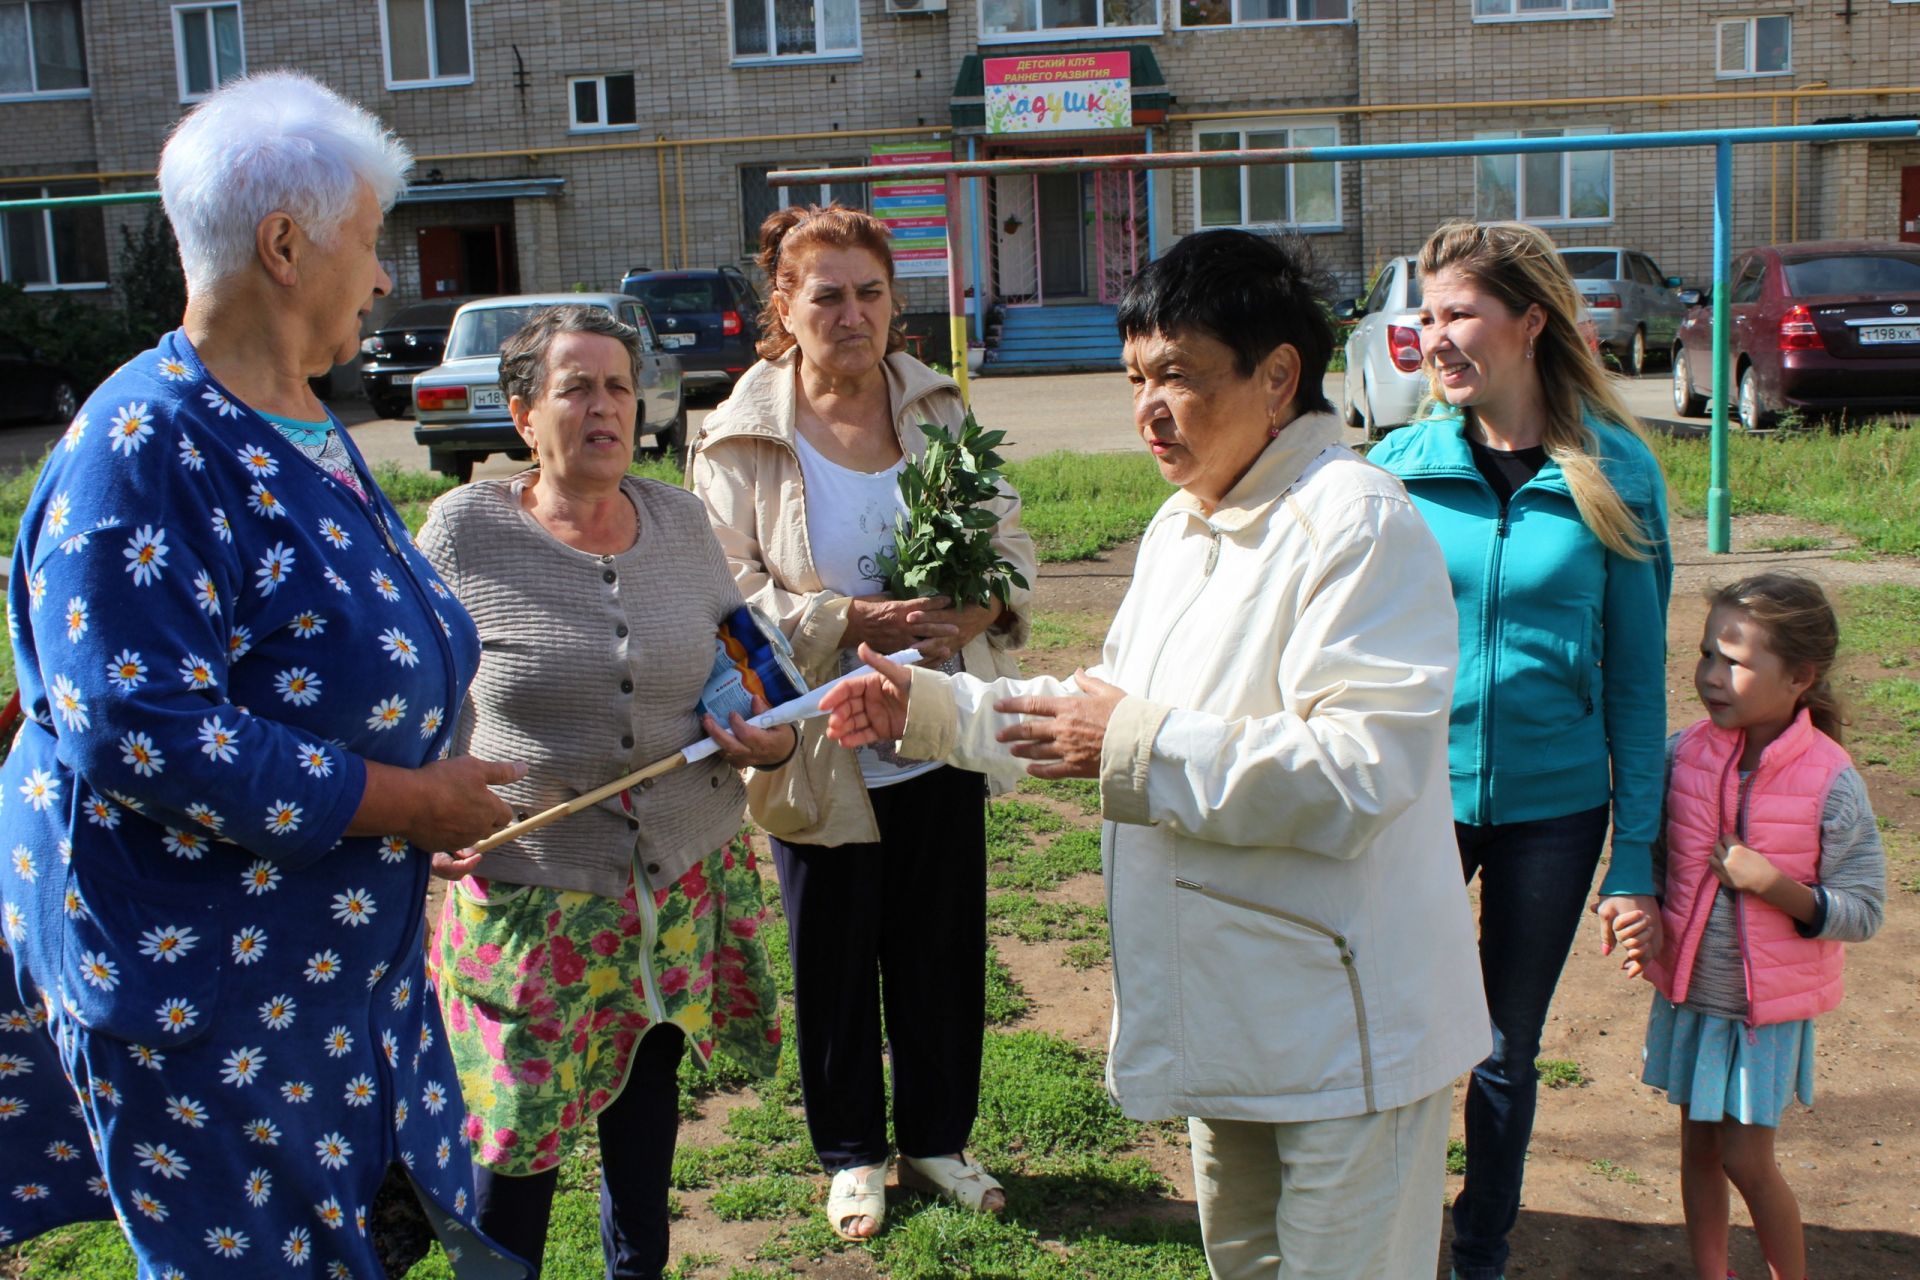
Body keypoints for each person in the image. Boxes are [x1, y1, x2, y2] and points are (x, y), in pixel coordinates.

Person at [818, 227, 1490, 1279]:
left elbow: (1358, 776)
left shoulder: (1356, 525)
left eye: (1176, 374)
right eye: (1135, 377)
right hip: (1229, 1019)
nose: (1149, 409)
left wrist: (1129, 740)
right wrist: (936, 711)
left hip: (1345, 1037)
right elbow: (1098, 706)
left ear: (1278, 377)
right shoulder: (1188, 525)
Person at [0, 71, 528, 1277]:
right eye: (370, 241)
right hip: (208, 1000)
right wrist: (404, 801)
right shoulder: (145, 448)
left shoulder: (294, 411)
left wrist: (411, 794)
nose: (385, 274)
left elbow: (321, 659)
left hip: (325, 976)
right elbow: (140, 726)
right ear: (285, 244)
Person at [419, 305, 792, 1280]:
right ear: (521, 414)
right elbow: (407, 693)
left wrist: (776, 728)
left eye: (619, 385)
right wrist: (421, 807)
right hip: (529, 892)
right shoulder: (465, 533)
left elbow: (745, 655)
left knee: (644, 1104)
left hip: (671, 884)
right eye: (576, 385)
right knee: (515, 1143)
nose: (604, 405)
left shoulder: (676, 517)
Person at [689, 204, 1036, 1242]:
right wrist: (853, 618)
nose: (852, 312)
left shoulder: (936, 408)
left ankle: (937, 1138)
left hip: (932, 722)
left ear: (896, 302)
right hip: (817, 740)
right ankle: (850, 1152)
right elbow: (728, 590)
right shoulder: (740, 433)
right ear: (782, 308)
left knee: (940, 946)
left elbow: (1008, 539)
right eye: (826, 293)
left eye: (871, 291)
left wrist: (976, 606)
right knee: (833, 957)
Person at [1367, 219, 1673, 1280]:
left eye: (1459, 313)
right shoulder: (1396, 470)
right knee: (1389, 1022)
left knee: (1503, 1048)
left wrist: (1636, 855)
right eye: (1426, 313)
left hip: (1554, 807)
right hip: (1414, 798)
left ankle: (1481, 1248)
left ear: (1530, 322)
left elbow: (1637, 683)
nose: (1435, 335)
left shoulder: (1617, 473)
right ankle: (1385, 1228)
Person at [1628, 572, 1884, 1280]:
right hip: (1692, 999)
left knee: (1746, 1158)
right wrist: (1634, 913)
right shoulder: (1684, 754)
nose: (1711, 675)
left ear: (1800, 676)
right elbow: (1651, 860)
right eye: (1707, 654)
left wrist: (1774, 886)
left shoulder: (1830, 778)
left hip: (1762, 1015)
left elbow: (1863, 908)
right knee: (1697, 1152)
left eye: (1734, 662)